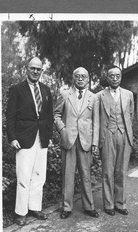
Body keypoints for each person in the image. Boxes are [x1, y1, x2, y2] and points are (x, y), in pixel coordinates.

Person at [6, 57, 53, 226]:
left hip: (42, 139)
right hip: (24, 139)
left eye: (38, 69)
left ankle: (35, 207)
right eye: (32, 68)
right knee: (24, 176)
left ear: (42, 71)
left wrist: (49, 136)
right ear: (26, 69)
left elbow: (49, 117)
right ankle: (21, 212)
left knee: (39, 175)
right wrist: (12, 138)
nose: (35, 71)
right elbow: (10, 115)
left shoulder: (46, 90)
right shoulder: (17, 90)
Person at [54, 67, 99, 219]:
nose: (80, 79)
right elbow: (56, 115)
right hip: (69, 140)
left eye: (83, 77)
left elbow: (96, 122)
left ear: (88, 79)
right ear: (73, 79)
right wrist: (62, 130)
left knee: (86, 175)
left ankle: (89, 206)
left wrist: (94, 143)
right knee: (68, 175)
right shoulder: (65, 94)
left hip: (85, 141)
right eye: (77, 76)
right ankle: (67, 207)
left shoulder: (93, 97)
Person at [97, 65, 134, 216]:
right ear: (107, 77)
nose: (114, 78)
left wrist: (126, 132)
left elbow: (130, 115)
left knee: (121, 171)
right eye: (111, 76)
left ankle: (120, 203)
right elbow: (97, 118)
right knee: (107, 171)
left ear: (121, 77)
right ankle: (109, 205)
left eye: (117, 75)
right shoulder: (99, 96)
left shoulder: (128, 94)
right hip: (107, 136)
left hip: (124, 135)